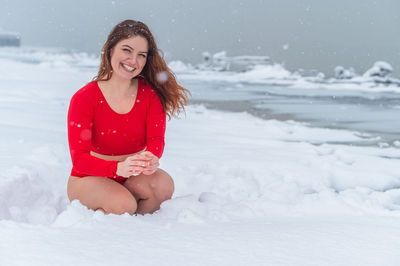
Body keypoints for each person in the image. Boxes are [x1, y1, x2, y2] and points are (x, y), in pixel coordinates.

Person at [66, 20, 189, 215]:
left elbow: (156, 140)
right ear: (110, 50)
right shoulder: (84, 98)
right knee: (123, 205)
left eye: (141, 55)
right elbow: (80, 160)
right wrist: (116, 168)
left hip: (131, 175)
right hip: (89, 177)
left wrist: (151, 157)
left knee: (163, 185)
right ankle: (111, 228)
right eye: (127, 50)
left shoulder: (149, 96)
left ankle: (141, 231)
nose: (133, 60)